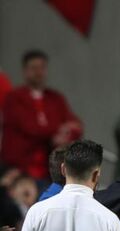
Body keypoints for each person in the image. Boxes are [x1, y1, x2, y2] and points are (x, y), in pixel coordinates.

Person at [0, 50, 82, 183]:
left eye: (42, 68)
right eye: (34, 68)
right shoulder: (14, 98)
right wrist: (58, 131)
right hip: (20, 170)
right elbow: (31, 127)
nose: (38, 72)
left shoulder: (55, 98)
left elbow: (75, 125)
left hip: (50, 169)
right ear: (25, 71)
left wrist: (65, 134)